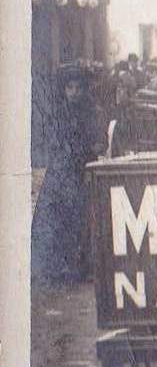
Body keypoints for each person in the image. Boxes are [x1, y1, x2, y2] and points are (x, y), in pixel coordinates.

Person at [32, 64, 103, 285]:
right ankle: (50, 267)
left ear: (84, 89)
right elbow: (50, 140)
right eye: (69, 87)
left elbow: (99, 142)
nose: (73, 92)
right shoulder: (59, 113)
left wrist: (87, 154)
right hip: (59, 173)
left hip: (79, 173)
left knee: (76, 221)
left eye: (78, 88)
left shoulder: (91, 112)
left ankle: (74, 266)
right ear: (64, 89)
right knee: (52, 219)